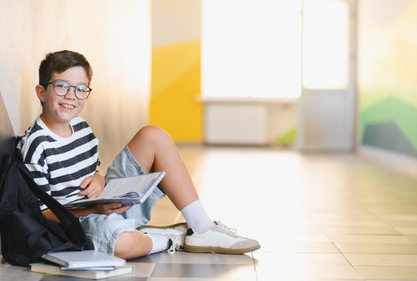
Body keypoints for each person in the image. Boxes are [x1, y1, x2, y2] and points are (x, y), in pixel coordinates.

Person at [18, 50, 260, 259]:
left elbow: (93, 174)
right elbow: (42, 213)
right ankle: (169, 239)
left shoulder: (83, 129)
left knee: (153, 135)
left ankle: (201, 227)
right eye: (61, 86)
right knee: (123, 244)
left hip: (106, 203)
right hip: (80, 222)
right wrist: (94, 211)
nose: (71, 96)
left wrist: (100, 180)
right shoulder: (36, 144)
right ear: (41, 92)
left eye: (81, 89)